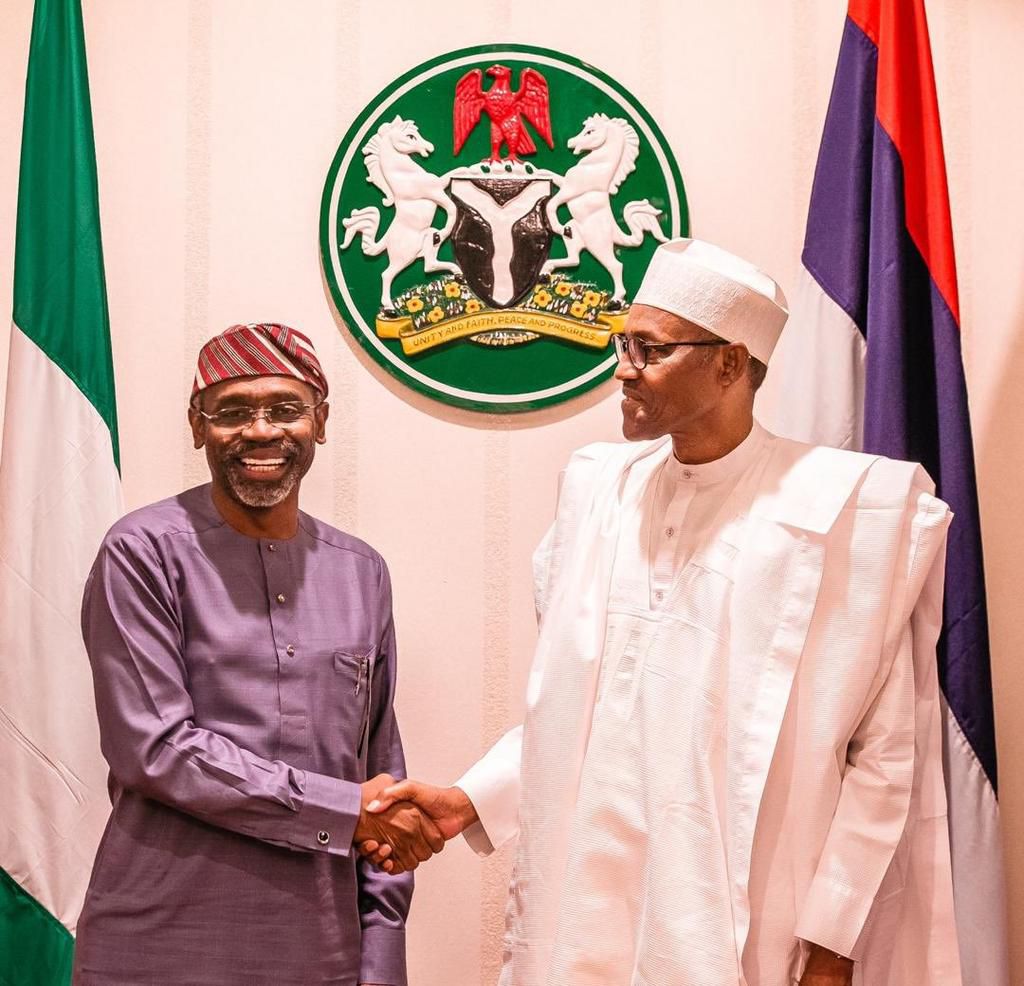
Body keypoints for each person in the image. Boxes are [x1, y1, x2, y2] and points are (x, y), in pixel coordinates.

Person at [361, 241, 962, 986]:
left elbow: (884, 754)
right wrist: (464, 803)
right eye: (623, 342)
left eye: (649, 349)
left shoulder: (842, 512)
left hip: (746, 914)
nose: (623, 367)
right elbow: (584, 714)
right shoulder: (598, 492)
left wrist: (835, 940)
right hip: (587, 900)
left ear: (730, 364)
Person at [74, 323, 442, 986]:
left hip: (321, 950)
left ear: (320, 423)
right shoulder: (141, 553)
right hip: (157, 945)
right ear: (197, 426)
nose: (262, 431)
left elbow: (381, 766)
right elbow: (155, 749)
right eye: (233, 411)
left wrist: (382, 949)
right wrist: (342, 808)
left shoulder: (363, 572)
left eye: (286, 408)